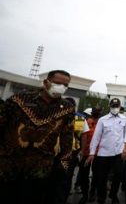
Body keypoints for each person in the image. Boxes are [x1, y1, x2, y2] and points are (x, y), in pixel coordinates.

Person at [0, 70, 75, 204]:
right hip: (8, 165)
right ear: (46, 82)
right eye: (58, 83)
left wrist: (63, 165)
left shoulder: (67, 109)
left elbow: (67, 139)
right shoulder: (19, 99)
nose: (62, 87)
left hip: (41, 169)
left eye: (65, 85)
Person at [86, 98, 126, 204]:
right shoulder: (102, 120)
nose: (115, 108)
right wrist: (92, 153)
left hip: (118, 153)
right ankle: (101, 197)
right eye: (113, 106)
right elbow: (96, 137)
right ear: (110, 107)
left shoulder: (124, 119)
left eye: (117, 106)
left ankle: (113, 195)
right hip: (103, 154)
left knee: (118, 175)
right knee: (102, 177)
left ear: (119, 107)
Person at [78, 106, 102, 204]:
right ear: (92, 114)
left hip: (98, 153)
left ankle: (92, 193)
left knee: (97, 175)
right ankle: (85, 194)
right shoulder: (86, 123)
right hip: (86, 152)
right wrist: (81, 150)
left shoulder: (102, 124)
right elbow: (81, 136)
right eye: (95, 113)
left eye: (98, 113)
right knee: (84, 174)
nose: (96, 115)